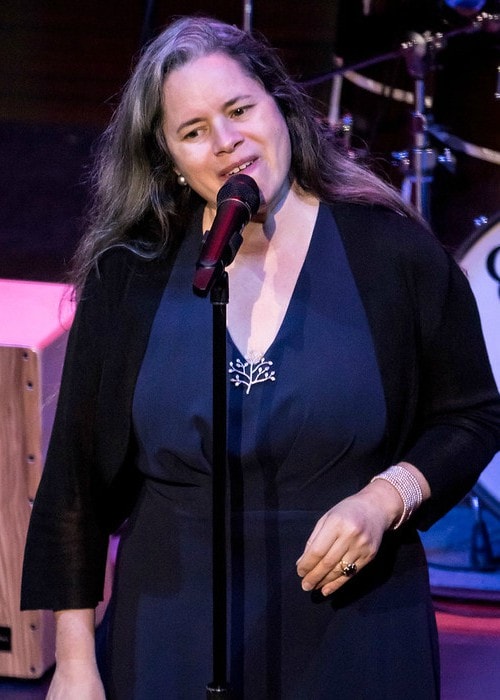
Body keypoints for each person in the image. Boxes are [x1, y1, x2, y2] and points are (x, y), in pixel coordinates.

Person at [21, 15, 500, 700]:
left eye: (240, 109)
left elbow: (472, 415)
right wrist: (73, 662)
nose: (226, 143)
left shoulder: (390, 251)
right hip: (169, 632)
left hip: (357, 625)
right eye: (193, 132)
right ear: (170, 161)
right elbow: (75, 480)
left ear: (279, 103)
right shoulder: (130, 275)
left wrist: (388, 495)